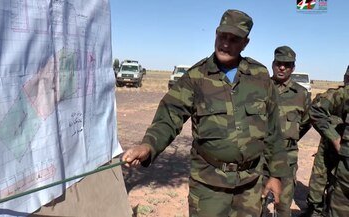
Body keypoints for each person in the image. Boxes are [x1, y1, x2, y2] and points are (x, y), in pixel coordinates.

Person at [121, 9, 290, 216]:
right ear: (215, 35)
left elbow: (273, 130)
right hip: (209, 186)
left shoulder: (260, 76)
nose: (225, 44)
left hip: (251, 184)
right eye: (222, 36)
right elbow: (169, 116)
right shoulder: (196, 77)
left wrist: (276, 175)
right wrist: (148, 145)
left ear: (245, 43)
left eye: (234, 39)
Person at [262, 46, 311, 216]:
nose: (282, 68)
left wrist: (288, 140)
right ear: (273, 64)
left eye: (287, 65)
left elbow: (305, 123)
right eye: (279, 63)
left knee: (283, 206)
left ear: (293, 68)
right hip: (260, 158)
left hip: (287, 160)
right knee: (255, 204)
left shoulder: (301, 94)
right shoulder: (261, 88)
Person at [301, 66, 349, 217]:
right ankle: (315, 210)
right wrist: (334, 138)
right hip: (331, 148)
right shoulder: (338, 95)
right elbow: (314, 112)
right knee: (320, 178)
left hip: (341, 152)